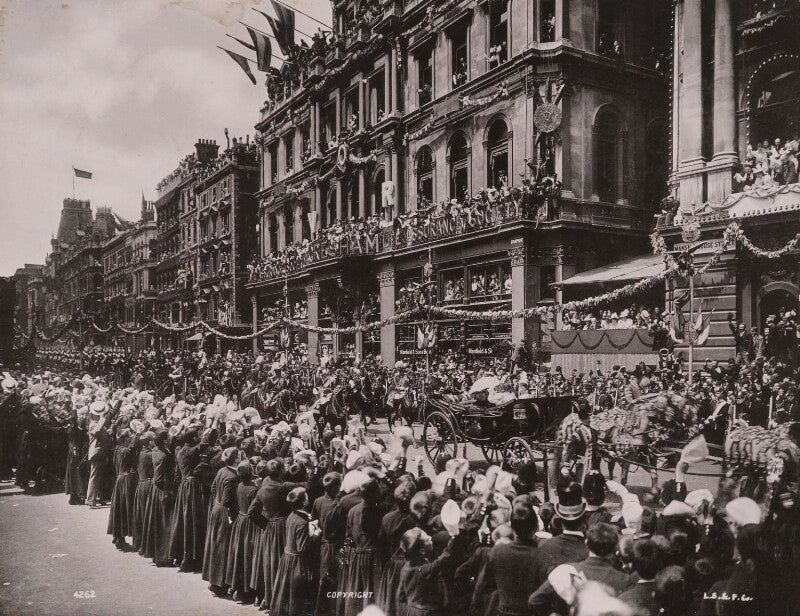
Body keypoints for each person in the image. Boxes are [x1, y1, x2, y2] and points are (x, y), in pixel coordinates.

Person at [271, 487, 320, 616]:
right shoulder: (302, 522)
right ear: (304, 502)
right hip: (297, 564)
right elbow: (303, 548)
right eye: (306, 496)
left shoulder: (291, 516)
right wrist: (315, 535)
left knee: (286, 595)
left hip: (287, 559)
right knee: (297, 598)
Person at [203, 446, 240, 595]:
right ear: (236, 459)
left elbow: (213, 488)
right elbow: (227, 500)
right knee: (223, 547)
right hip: (225, 513)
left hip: (216, 509)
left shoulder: (221, 471)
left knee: (215, 545)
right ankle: (220, 583)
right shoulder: (233, 476)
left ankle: (214, 580)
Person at [169, 428, 207, 572]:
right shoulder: (191, 451)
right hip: (192, 487)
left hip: (183, 486)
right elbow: (204, 443)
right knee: (191, 521)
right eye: (198, 436)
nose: (199, 438)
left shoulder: (179, 451)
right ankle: (189, 557)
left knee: (182, 520)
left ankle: (181, 555)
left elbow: (177, 474)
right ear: (193, 439)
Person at [225, 460, 259, 603]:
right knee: (248, 555)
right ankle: (247, 590)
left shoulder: (239, 486)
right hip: (250, 524)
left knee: (239, 554)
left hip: (240, 519)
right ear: (250, 473)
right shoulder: (254, 490)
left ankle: (236, 586)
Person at [141, 429, 176, 566]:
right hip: (163, 490)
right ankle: (163, 556)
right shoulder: (162, 455)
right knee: (164, 523)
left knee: (158, 522)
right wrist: (168, 489)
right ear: (165, 441)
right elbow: (159, 478)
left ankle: (158, 555)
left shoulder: (156, 450)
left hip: (157, 490)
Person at [106, 427, 139, 550]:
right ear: (124, 439)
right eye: (129, 436)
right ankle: (121, 537)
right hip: (126, 481)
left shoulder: (117, 450)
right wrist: (138, 433)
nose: (131, 438)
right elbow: (132, 448)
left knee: (119, 510)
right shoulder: (124, 451)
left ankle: (118, 536)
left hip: (119, 480)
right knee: (126, 509)